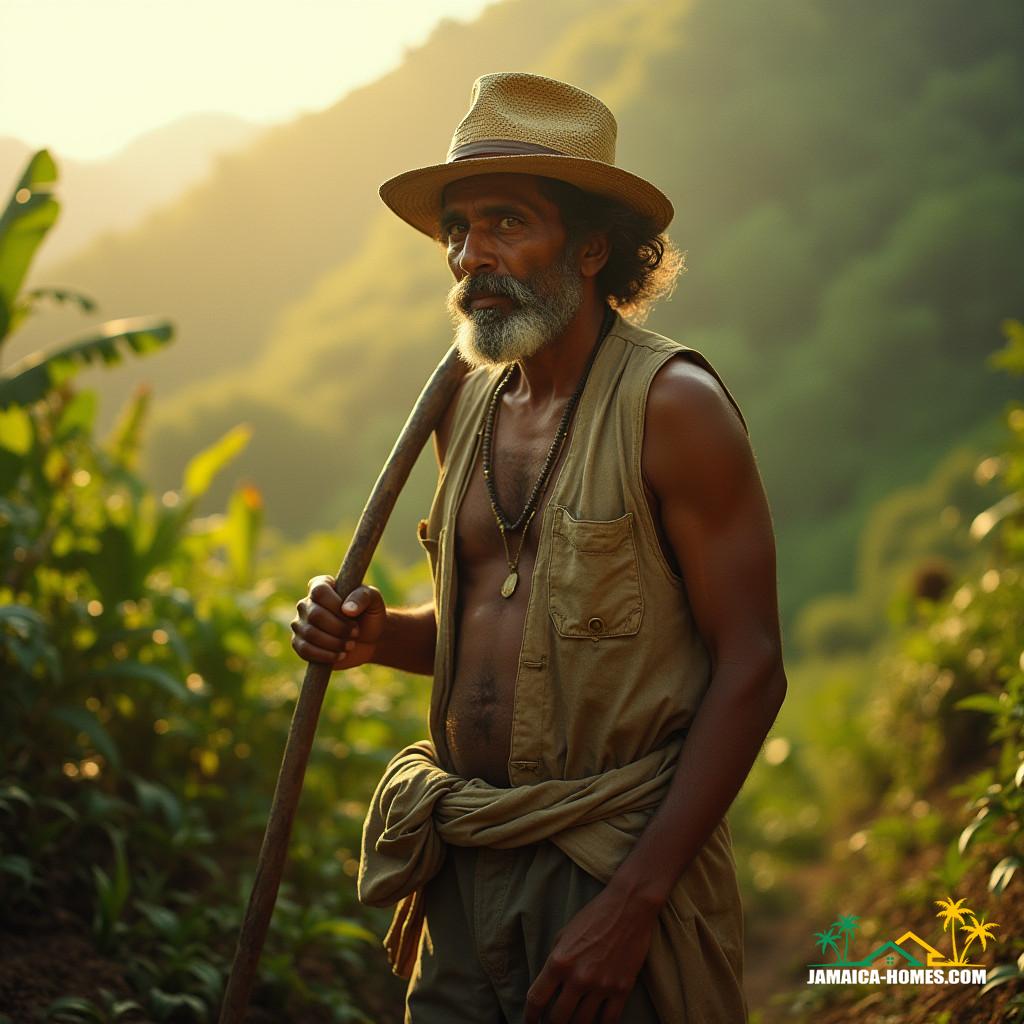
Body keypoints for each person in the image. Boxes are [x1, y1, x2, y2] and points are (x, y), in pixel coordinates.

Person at [291, 72, 787, 1024]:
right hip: (463, 862)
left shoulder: (674, 408)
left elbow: (753, 668)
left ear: (594, 247)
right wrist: (370, 632)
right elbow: (496, 623)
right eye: (458, 229)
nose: (472, 255)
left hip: (611, 864)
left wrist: (634, 903)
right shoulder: (464, 407)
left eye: (507, 222)